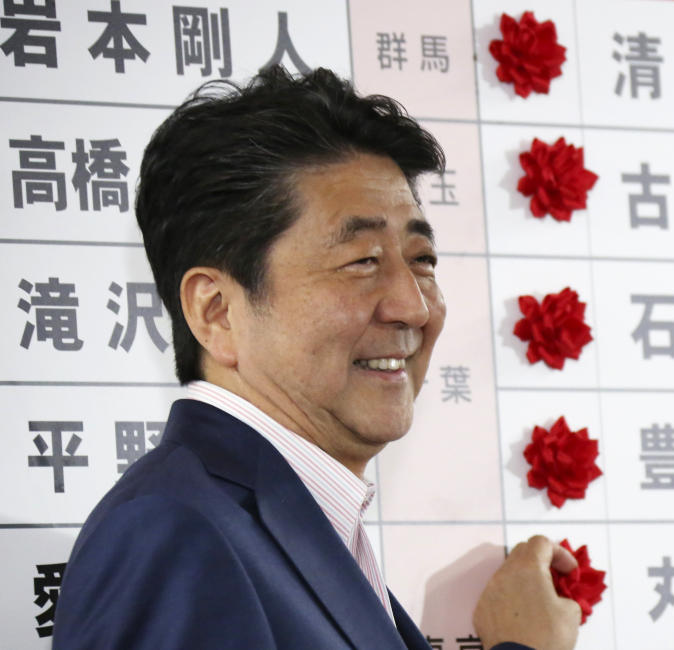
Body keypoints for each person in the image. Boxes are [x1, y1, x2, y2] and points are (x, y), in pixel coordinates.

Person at [52, 65, 581, 649]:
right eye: (361, 261)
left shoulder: (293, 521)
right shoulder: (170, 534)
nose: (412, 306)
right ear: (217, 312)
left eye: (422, 258)